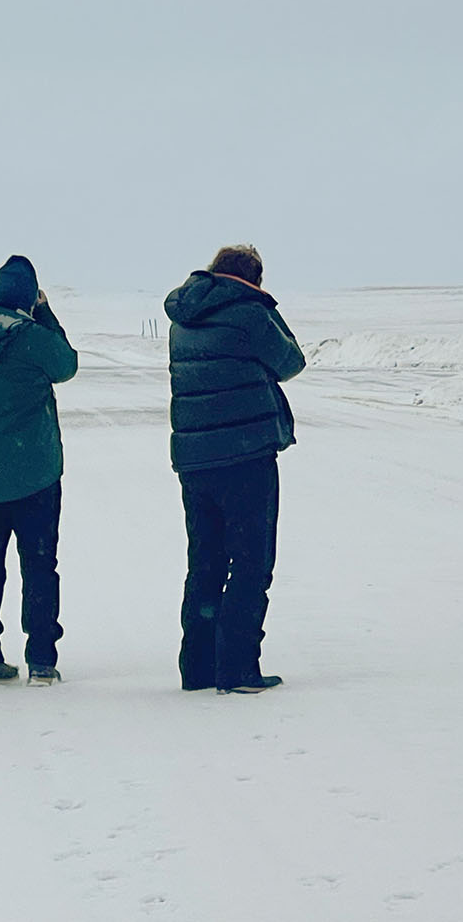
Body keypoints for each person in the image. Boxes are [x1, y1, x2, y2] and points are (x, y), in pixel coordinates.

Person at [164, 244, 305, 694]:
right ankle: (238, 667)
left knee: (204, 562)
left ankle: (198, 667)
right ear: (253, 279)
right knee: (250, 563)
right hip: (246, 457)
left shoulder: (182, 318)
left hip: (195, 459)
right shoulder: (250, 314)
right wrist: (266, 306)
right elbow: (292, 361)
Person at [0, 255, 78, 686]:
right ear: (28, 297)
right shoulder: (32, 337)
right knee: (39, 566)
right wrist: (46, 314)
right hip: (35, 472)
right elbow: (66, 365)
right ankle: (41, 658)